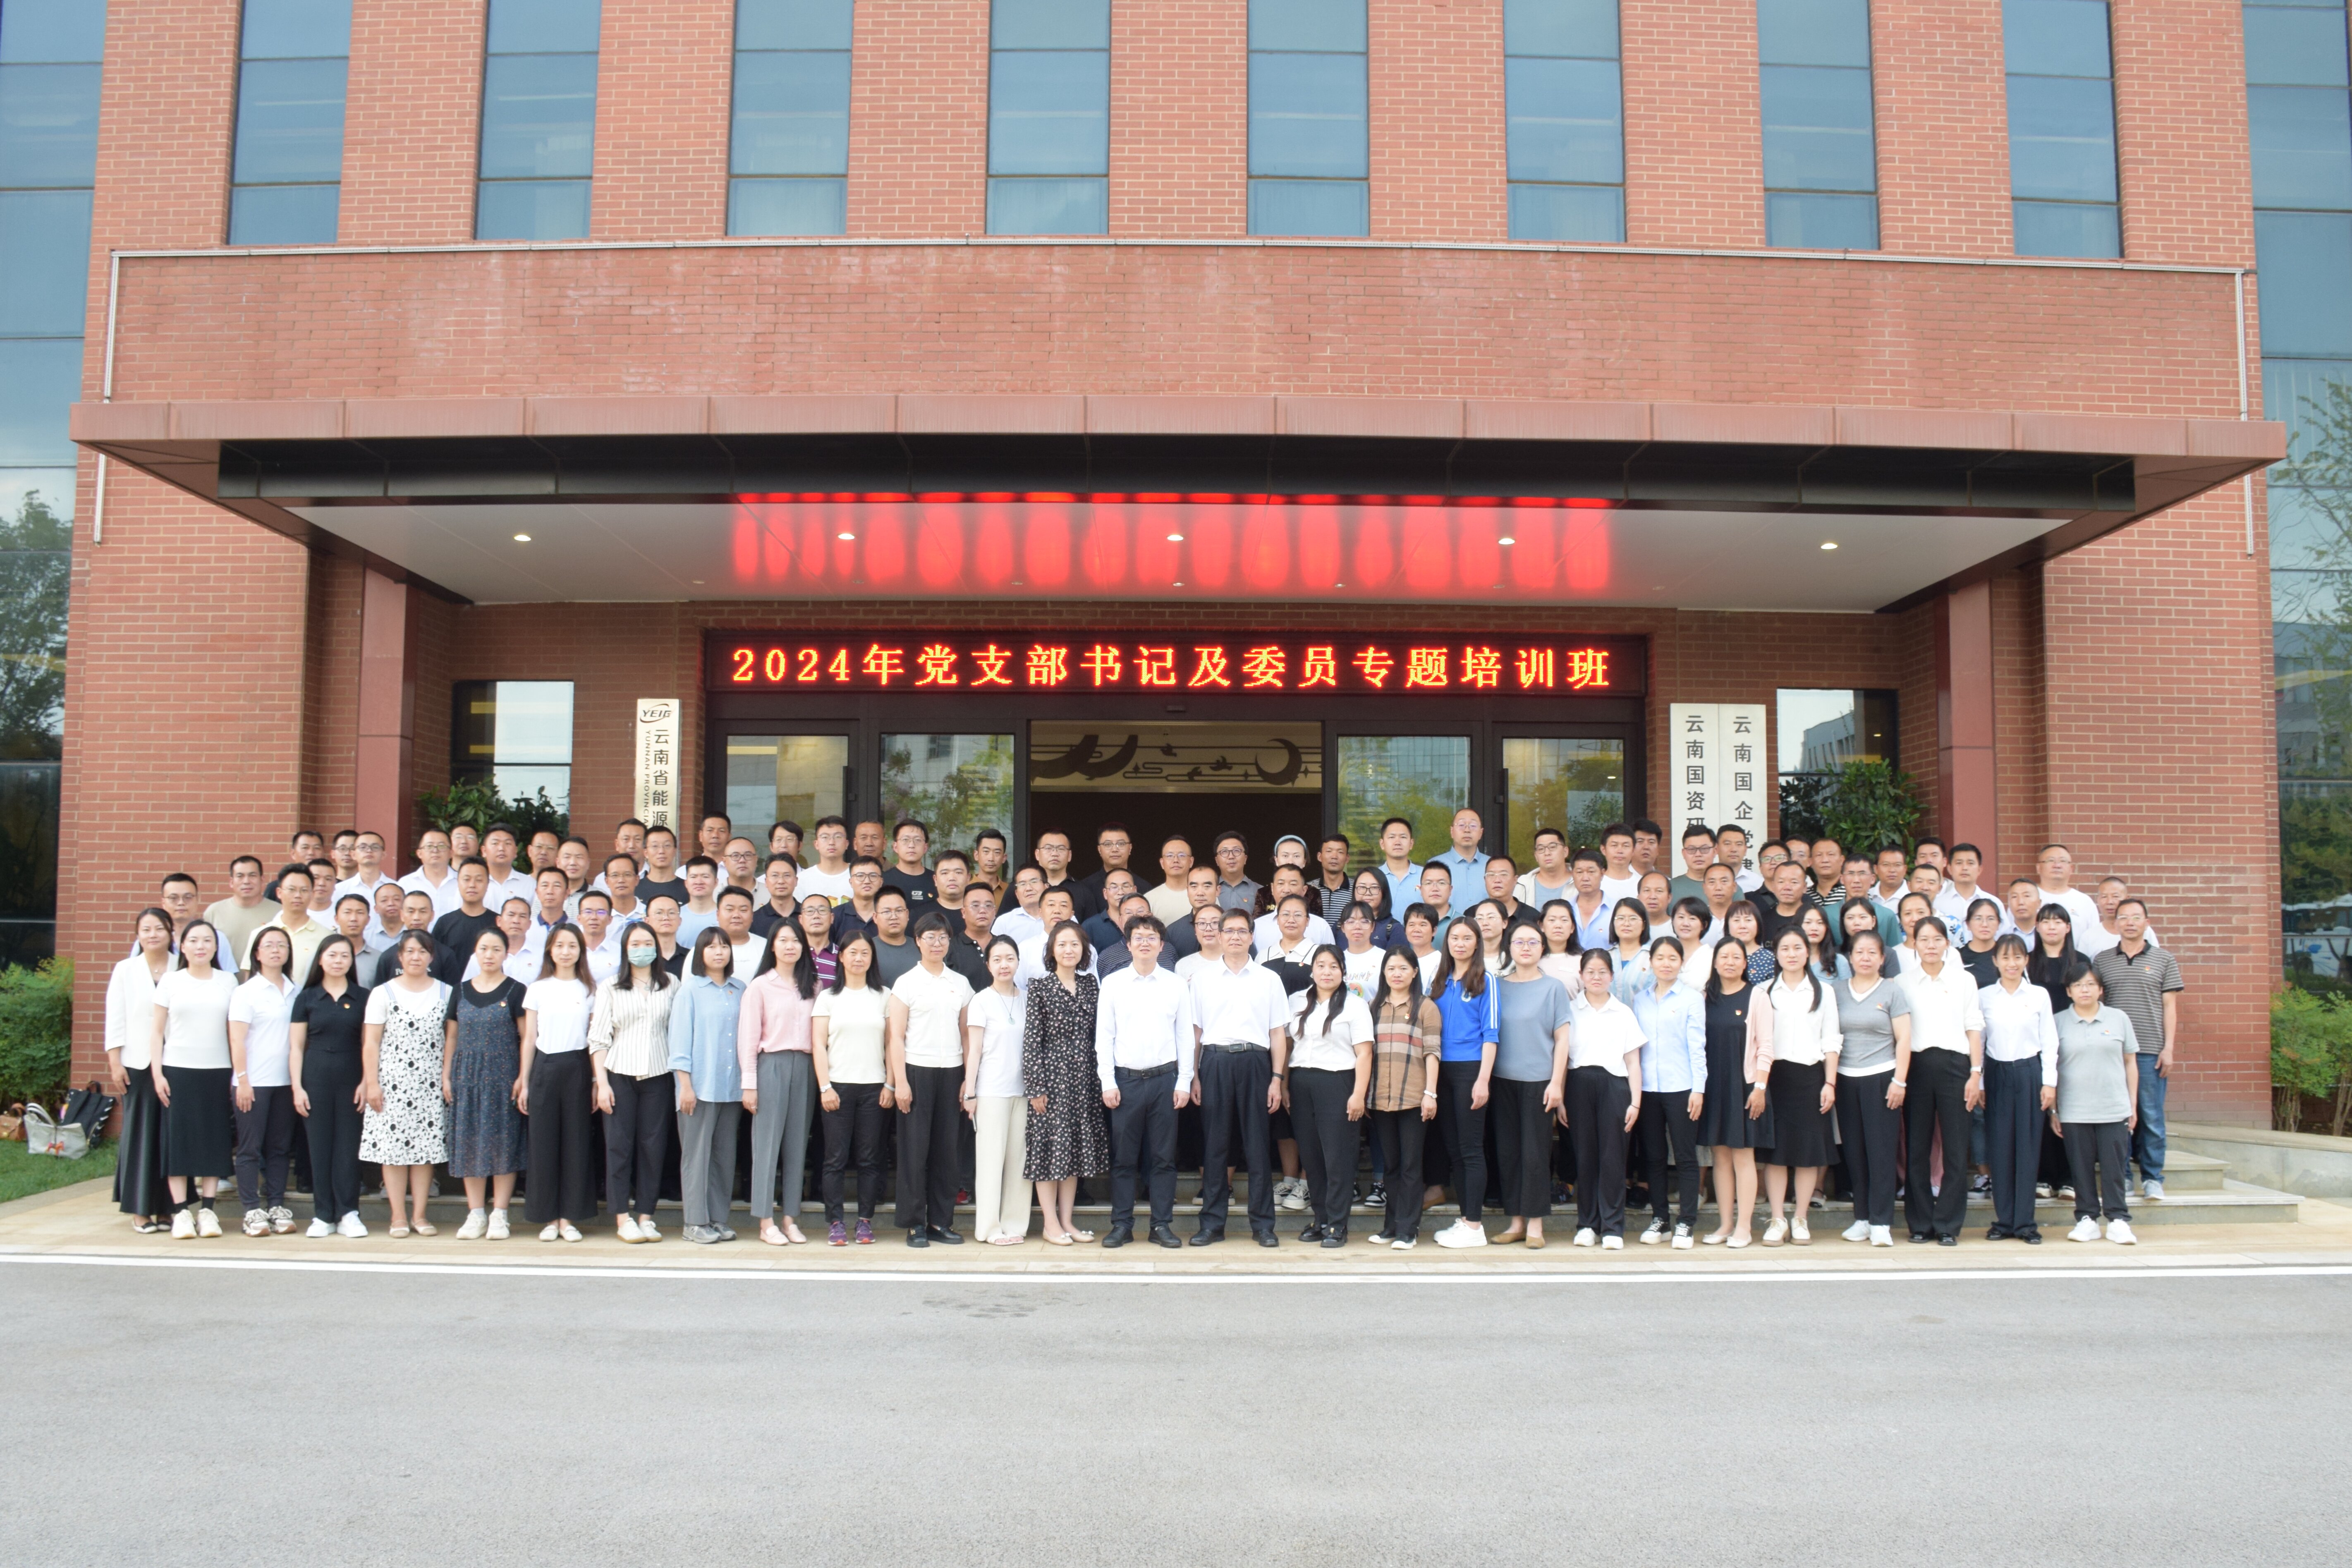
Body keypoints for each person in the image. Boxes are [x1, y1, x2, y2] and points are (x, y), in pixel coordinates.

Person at [1188, 907, 1291, 1248]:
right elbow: (1195, 1032)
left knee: (1257, 1146)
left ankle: (1263, 1226)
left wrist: (1276, 1078)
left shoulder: (1268, 979)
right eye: (1229, 931)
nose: (1235, 936)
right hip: (1215, 1062)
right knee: (1215, 1146)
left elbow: (1277, 1034)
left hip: (1256, 1062)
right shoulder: (1201, 979)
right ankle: (1211, 1224)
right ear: (1219, 936)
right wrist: (1193, 1076)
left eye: (1241, 931)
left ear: (1251, 936)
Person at [1093, 915, 1194, 1249]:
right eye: (1138, 937)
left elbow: (1185, 1035)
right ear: (1128, 944)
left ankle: (1161, 1225)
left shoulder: (1175, 984)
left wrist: (1184, 1081)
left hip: (1165, 1079)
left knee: (1163, 1158)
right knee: (1124, 1158)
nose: (1145, 943)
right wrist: (1107, 1081)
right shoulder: (1113, 983)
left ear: (1161, 945)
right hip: (1126, 1081)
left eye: (1151, 937)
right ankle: (1121, 1225)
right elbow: (1104, 1036)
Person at [886, 911, 976, 1247]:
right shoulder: (906, 983)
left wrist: (968, 1079)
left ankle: (940, 1221)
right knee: (914, 1151)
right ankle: (914, 1225)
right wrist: (900, 1082)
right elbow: (896, 1037)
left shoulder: (960, 983)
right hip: (916, 1071)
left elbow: (966, 1035)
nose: (937, 943)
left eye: (942, 937)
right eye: (930, 937)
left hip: (952, 1072)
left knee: (947, 1151)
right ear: (918, 941)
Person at [148, 921, 238, 1239]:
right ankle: (182, 1212)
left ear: (216, 947)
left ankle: (208, 1211)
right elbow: (156, 1031)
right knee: (179, 1141)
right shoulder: (171, 981)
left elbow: (235, 1031)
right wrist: (157, 1073)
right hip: (177, 1070)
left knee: (214, 1139)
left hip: (218, 1070)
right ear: (183, 946)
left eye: (208, 941)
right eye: (194, 940)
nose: (201, 946)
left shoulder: (228, 981)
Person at [1898, 918, 1985, 1245]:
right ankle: (1920, 1223)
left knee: (1955, 1148)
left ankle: (1948, 1224)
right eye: (1924, 939)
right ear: (1914, 943)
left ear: (1947, 943)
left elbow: (1973, 1026)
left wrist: (1975, 1073)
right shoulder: (1902, 982)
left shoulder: (1964, 980)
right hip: (1916, 1066)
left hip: (1955, 1066)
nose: (1931, 945)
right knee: (1916, 1148)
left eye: (1937, 939)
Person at [588, 921, 676, 1244]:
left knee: (653, 1147)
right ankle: (622, 1217)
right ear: (625, 950)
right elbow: (598, 1038)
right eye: (635, 944)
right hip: (619, 1074)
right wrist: (602, 1083)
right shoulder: (610, 986)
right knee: (619, 1147)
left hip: (659, 1074)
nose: (642, 949)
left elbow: (676, 1030)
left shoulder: (671, 984)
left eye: (647, 943)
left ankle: (646, 1216)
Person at [1023, 920, 1110, 1246]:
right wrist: (1036, 1087)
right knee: (1049, 1151)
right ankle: (1050, 1224)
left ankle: (1067, 1221)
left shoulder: (1091, 986)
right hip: (1051, 1079)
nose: (1068, 950)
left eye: (1074, 944)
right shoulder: (1040, 987)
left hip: (1085, 1078)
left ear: (1084, 950)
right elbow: (1032, 1041)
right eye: (1061, 944)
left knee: (1072, 1152)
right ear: (1051, 951)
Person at [360, 931, 451, 1237]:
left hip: (430, 1084)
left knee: (426, 1152)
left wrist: (446, 1077)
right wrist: (372, 1083)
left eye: (422, 951)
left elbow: (452, 1039)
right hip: (392, 1084)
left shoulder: (446, 992)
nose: (416, 957)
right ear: (399, 956)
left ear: (431, 957)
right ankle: (398, 1217)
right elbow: (371, 1042)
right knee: (393, 1152)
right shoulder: (382, 993)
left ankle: (420, 1216)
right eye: (410, 951)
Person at [1487, 925, 1573, 1247]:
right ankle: (1516, 1222)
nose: (1526, 947)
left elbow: (1562, 1039)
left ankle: (1536, 1224)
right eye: (1519, 941)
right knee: (1508, 1152)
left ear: (1542, 947)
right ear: (1509, 947)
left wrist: (1557, 1083)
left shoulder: (1553, 988)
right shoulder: (1496, 986)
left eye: (1533, 942)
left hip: (1539, 1082)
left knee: (1535, 1154)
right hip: (1502, 1081)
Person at [2091, 898, 2182, 1200]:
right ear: (2115, 923)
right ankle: (2124, 1177)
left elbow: (2170, 1007)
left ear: (2146, 922)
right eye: (2123, 917)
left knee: (2151, 1116)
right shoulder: (2102, 960)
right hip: (2113, 1052)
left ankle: (2153, 1178)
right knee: (2119, 1117)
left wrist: (2168, 1048)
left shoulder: (2164, 959)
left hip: (2150, 1050)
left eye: (2136, 917)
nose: (2129, 923)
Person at [1284, 946, 1374, 1248]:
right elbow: (1288, 1046)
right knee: (1312, 1157)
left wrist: (1358, 1094)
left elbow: (1364, 1053)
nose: (1327, 972)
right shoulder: (1297, 1001)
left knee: (1338, 1157)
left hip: (1338, 1083)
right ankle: (1320, 1219)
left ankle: (1337, 1224)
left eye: (1334, 966)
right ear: (1312, 970)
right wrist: (1284, 1085)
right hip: (1301, 1082)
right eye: (1321, 965)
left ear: (1343, 971)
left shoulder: (1355, 1005)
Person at [441, 928, 527, 1240]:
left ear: (506, 953)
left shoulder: (516, 990)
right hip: (466, 1076)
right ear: (475, 953)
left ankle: (500, 1214)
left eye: (496, 949)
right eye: (483, 949)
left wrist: (523, 1077)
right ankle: (475, 1213)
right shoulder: (460, 991)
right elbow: (452, 1036)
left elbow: (526, 1037)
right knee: (469, 1142)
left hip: (503, 1075)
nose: (489, 955)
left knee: (504, 1142)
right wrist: (447, 1075)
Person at [1557, 945, 1645, 1247]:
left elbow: (1633, 1062)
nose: (1596, 977)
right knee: (1585, 1157)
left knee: (1612, 1158)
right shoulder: (1569, 1010)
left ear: (1612, 976)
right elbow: (1563, 1058)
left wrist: (1635, 1101)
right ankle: (1587, 1225)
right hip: (1578, 1085)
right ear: (1581, 975)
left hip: (1615, 1087)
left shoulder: (1623, 1012)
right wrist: (1561, 1099)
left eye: (1602, 972)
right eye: (1590, 972)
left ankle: (1612, 1227)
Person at [1757, 928, 1840, 1246]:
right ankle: (1778, 1219)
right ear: (1776, 954)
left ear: (1808, 952)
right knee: (1776, 1154)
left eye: (1797, 948)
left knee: (1808, 1153)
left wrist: (1829, 1082)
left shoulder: (1824, 992)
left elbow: (1831, 1039)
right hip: (1774, 1078)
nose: (1791, 954)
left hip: (1811, 1078)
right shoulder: (1764, 991)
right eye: (1785, 948)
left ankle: (1801, 1218)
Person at [740, 921, 819, 1246]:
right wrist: (749, 1084)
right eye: (783, 940)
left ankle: (790, 1218)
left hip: (805, 1066)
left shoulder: (813, 985)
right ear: (772, 945)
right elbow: (748, 1039)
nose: (790, 946)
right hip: (770, 1065)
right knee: (767, 1145)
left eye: (796, 940)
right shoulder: (760, 986)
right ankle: (765, 1221)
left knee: (797, 1145)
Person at [518, 924, 597, 1242]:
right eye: (560, 945)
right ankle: (548, 1218)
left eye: (572, 946)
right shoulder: (538, 988)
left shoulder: (589, 990)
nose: (566, 951)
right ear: (550, 950)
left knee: (576, 1143)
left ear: (581, 951)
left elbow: (594, 1038)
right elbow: (529, 1038)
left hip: (578, 1066)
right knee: (543, 1144)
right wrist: (524, 1081)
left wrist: (595, 1079)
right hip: (545, 1066)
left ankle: (569, 1218)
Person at [1832, 931, 1910, 1247]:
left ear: (1882, 958)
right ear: (1849, 957)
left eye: (1871, 952)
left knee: (1881, 1152)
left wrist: (1899, 1080)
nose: (1865, 957)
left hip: (1881, 1077)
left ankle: (1881, 1222)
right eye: (1859, 952)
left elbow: (1904, 1039)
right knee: (1854, 1152)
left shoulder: (1892, 991)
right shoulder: (1836, 991)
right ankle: (1862, 1218)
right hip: (1845, 1078)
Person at [669, 928, 747, 1245]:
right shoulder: (689, 990)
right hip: (699, 1088)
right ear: (700, 953)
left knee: (723, 1157)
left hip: (731, 1088)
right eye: (712, 947)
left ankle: (717, 1218)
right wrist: (685, 1086)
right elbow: (679, 1042)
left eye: (724, 946)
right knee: (696, 1157)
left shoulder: (740, 989)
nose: (719, 952)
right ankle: (694, 1221)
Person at [1979, 932, 2058, 1243]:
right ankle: (2003, 1221)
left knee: (2027, 1147)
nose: (2011, 963)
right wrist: (1980, 1081)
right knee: (2000, 1148)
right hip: (1996, 1073)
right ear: (1995, 961)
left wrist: (2049, 1082)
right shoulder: (1984, 996)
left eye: (2017, 957)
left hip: (2029, 1073)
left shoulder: (2038, 995)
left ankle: (2025, 1223)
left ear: (2026, 960)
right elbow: (1979, 1041)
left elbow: (2050, 1040)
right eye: (2005, 957)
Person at [2055, 959, 2140, 1244]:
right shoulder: (2057, 1022)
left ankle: (2118, 1220)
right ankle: (2087, 1219)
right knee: (2080, 1169)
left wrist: (2132, 1104)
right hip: (2074, 1109)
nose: (2085, 990)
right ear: (2069, 991)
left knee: (2114, 1169)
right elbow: (2051, 1067)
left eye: (2091, 984)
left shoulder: (2119, 1018)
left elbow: (2130, 1062)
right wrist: (2054, 1110)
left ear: (2101, 989)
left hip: (2113, 1107)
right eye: (2078, 985)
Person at [812, 931, 889, 1245]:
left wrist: (891, 1084)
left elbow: (892, 1043)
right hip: (838, 1087)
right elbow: (818, 1044)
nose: (859, 958)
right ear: (841, 957)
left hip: (875, 1087)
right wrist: (825, 1087)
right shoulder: (827, 997)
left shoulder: (884, 996)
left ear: (872, 958)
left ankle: (865, 1221)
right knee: (835, 1158)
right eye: (853, 952)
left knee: (870, 1159)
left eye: (865, 953)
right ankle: (835, 1222)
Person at [1630, 936, 1706, 1248]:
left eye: (1673, 958)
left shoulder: (1692, 999)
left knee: (1686, 1157)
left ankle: (1686, 1222)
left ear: (1681, 963)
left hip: (1682, 1087)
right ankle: (1660, 1218)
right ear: (1651, 963)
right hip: (1648, 1088)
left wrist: (1699, 1089)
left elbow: (1697, 1046)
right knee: (1654, 1156)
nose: (1666, 963)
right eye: (1660, 958)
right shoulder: (1640, 1000)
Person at [1697, 937, 1773, 1248]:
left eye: (1736, 957)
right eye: (1724, 956)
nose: (1729, 962)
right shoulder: (1705, 997)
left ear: (1745, 963)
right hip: (1712, 1086)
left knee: (1743, 1156)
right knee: (1720, 1156)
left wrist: (1760, 1087)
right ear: (1715, 962)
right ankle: (1726, 1223)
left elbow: (1766, 1045)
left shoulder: (1757, 996)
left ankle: (1744, 1226)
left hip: (1744, 1086)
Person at [1428, 918, 1499, 1249]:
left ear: (1476, 943)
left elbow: (1491, 1034)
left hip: (1471, 1070)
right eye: (1454, 937)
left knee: (1471, 1148)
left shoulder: (1486, 980)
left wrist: (1483, 1079)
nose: (1460, 943)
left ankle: (1474, 1226)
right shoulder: (1438, 980)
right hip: (1440, 1070)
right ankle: (1465, 1219)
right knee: (1454, 1148)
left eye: (1467, 938)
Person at [1364, 947, 1441, 1249]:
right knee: (1391, 1166)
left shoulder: (1426, 1006)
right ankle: (1391, 1227)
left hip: (1413, 1097)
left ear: (1414, 972)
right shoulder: (1373, 1007)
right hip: (1381, 1097)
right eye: (1391, 968)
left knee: (1410, 1165)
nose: (1397, 974)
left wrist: (1430, 1093)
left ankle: (1408, 1230)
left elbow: (1432, 1051)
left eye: (1403, 968)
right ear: (1384, 973)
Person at [107, 908, 177, 1231]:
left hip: (176, 1061)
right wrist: (115, 1061)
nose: (153, 935)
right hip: (137, 1063)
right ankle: (139, 1209)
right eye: (146, 929)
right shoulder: (126, 969)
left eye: (159, 928)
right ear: (138, 934)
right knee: (140, 1133)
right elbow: (115, 1016)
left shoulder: (182, 966)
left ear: (171, 932)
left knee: (170, 1134)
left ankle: (168, 1208)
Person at [227, 927, 300, 1235]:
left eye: (282, 945)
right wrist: (243, 1080)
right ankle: (251, 1209)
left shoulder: (296, 990)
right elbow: (237, 1039)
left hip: (285, 1082)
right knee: (250, 1148)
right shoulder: (246, 992)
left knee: (279, 1148)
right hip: (253, 1082)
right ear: (257, 953)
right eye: (269, 945)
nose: (275, 950)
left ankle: (276, 1205)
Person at [962, 936, 1031, 1245]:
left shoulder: (1028, 998)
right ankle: (989, 1228)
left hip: (1024, 1091)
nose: (1004, 965)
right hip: (991, 1090)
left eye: (1010, 958)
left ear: (1018, 962)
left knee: (1019, 1161)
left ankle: (1015, 1224)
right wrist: (970, 1092)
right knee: (991, 1161)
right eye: (997, 959)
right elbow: (974, 1050)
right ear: (988, 965)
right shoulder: (981, 1000)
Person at [205, 856, 279, 980]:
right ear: (231, 882)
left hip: (266, 986)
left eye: (252, 876)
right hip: (223, 985)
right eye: (240, 876)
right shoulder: (214, 912)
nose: (246, 881)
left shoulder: (279, 912)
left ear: (262, 880)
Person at [400, 827, 460, 917]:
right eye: (429, 846)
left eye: (442, 846)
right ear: (419, 853)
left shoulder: (463, 882)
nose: (435, 851)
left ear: (451, 853)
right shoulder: (406, 884)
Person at [1603, 897, 1652, 998]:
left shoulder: (1652, 958)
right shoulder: (1605, 957)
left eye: (1633, 919)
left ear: (1644, 925)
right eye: (1621, 918)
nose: (1626, 924)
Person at [1143, 835, 1196, 925]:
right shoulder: (1149, 899)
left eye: (1182, 856)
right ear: (1162, 863)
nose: (1176, 860)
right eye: (1170, 856)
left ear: (1191, 862)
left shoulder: (1203, 895)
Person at [1374, 816, 1421, 916]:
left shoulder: (1425, 876)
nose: (1398, 843)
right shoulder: (1374, 877)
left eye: (1403, 837)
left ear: (1411, 844)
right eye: (1392, 837)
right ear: (1382, 844)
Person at [751, 852, 801, 940]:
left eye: (787, 876)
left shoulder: (807, 916)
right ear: (766, 882)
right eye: (775, 876)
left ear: (796, 881)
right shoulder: (754, 920)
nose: (781, 881)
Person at [1211, 830, 1262, 913]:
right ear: (1217, 861)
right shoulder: (1209, 891)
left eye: (1237, 851)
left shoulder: (1261, 892)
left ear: (1245, 859)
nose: (1231, 857)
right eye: (1224, 852)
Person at [884, 819, 935, 902]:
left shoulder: (937, 881)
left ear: (926, 848)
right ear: (895, 847)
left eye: (918, 840)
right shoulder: (883, 881)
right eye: (905, 840)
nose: (911, 845)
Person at [1311, 833, 1355, 922]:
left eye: (1340, 852)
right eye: (1329, 851)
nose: (1334, 857)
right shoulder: (1309, 889)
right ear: (1320, 857)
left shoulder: (1357, 889)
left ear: (1347, 859)